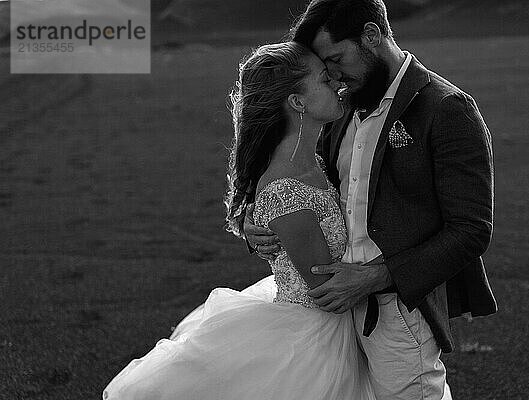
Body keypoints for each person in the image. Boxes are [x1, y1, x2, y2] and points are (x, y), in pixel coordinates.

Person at [243, 1, 498, 399]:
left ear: (371, 36)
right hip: (331, 318)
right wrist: (258, 222)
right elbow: (303, 185)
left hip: (396, 311)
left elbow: (471, 230)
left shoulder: (446, 109)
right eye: (325, 70)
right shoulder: (342, 106)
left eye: (336, 59)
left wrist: (377, 275)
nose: (334, 76)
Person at [102, 41, 377, 399]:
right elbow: (326, 288)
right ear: (297, 102)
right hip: (315, 339)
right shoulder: (286, 191)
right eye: (325, 80)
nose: (338, 85)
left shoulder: (312, 160)